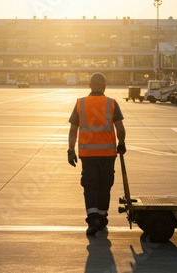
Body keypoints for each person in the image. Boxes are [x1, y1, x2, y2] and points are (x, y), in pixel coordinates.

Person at [67, 72, 126, 235]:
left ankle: (92, 219)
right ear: (105, 86)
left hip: (88, 155)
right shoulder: (112, 103)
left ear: (89, 86)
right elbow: (120, 129)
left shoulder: (80, 104)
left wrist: (71, 150)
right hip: (108, 155)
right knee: (105, 186)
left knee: (90, 186)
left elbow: (73, 130)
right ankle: (102, 218)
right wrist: (121, 144)